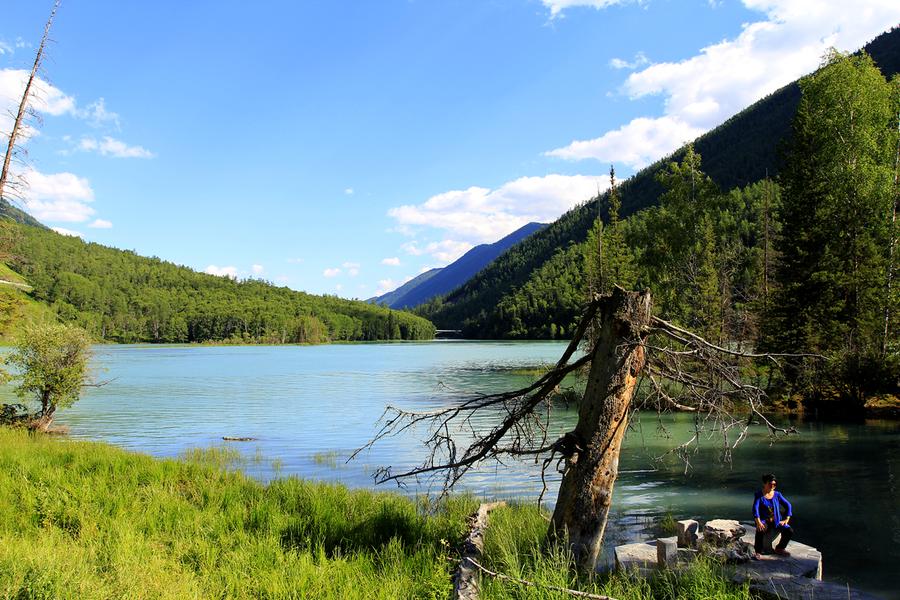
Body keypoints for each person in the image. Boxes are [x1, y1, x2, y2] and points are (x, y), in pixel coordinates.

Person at [752, 473, 793, 559]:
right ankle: (758, 551)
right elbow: (755, 509)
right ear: (765, 484)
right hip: (764, 521)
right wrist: (758, 522)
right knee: (760, 529)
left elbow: (788, 505)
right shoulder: (759, 495)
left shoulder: (777, 495)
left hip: (776, 521)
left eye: (774, 484)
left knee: (789, 530)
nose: (772, 486)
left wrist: (787, 519)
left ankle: (780, 548)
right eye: (770, 484)